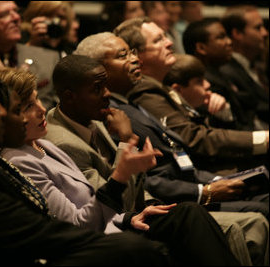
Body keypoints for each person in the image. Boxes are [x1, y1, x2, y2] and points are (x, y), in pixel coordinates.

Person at [0, 65, 174, 266]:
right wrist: (112, 240)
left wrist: (121, 225)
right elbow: (32, 232)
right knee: (133, 251)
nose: (4, 114)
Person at [74, 32, 269, 265]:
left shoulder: (131, 102)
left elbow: (176, 150)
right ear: (98, 68)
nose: (134, 59)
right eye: (123, 55)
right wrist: (204, 190)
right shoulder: (109, 113)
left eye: (133, 53)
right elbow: (139, 178)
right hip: (156, 203)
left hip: (182, 187)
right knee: (257, 215)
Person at [113, 17, 269, 175]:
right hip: (198, 178)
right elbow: (193, 138)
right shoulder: (144, 92)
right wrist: (263, 139)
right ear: (137, 56)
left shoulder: (162, 86)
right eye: (158, 40)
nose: (169, 43)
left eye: (165, 36)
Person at [0, 1, 61, 110]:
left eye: (16, 11)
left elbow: (54, 110)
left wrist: (1, 71)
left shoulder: (48, 57)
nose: (16, 17)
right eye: (5, 14)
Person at [183, 18, 265, 131]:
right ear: (201, 48)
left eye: (227, 36)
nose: (229, 42)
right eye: (221, 37)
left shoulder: (221, 72)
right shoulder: (206, 83)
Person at [221, 4, 269, 127]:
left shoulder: (255, 65)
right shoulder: (227, 72)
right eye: (258, 28)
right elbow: (260, 108)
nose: (265, 33)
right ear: (237, 33)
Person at [163, 53, 235, 129]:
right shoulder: (178, 123)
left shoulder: (204, 109)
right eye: (199, 81)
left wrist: (223, 113)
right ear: (177, 90)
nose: (208, 84)